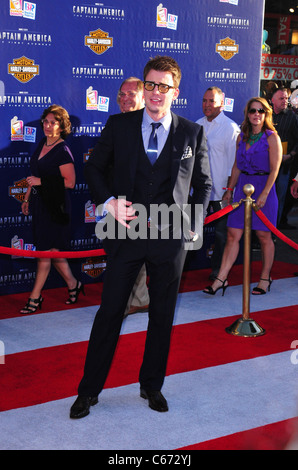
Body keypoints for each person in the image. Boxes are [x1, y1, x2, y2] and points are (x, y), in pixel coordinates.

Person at [70, 55, 212, 419]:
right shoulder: (119, 125)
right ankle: (89, 390)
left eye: (164, 86)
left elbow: (203, 183)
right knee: (110, 312)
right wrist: (107, 202)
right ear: (143, 87)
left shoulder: (192, 133)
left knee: (162, 314)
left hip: (170, 238)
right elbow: (94, 168)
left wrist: (193, 220)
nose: (155, 92)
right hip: (124, 233)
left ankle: (152, 385)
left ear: (175, 92)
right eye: (150, 84)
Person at [203, 97, 282, 297]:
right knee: (232, 235)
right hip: (241, 189)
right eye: (253, 111)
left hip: (264, 188)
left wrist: (264, 194)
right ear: (247, 113)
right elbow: (237, 166)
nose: (256, 114)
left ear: (266, 114)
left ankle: (265, 278)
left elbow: (275, 170)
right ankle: (221, 278)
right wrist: (229, 190)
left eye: (261, 111)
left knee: (264, 236)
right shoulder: (242, 137)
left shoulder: (272, 137)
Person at [20, 105, 84, 314]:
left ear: (62, 125)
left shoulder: (63, 149)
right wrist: (28, 197)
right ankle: (74, 284)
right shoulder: (42, 143)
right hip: (40, 203)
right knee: (54, 253)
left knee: (45, 254)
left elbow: (70, 182)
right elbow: (34, 176)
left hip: (55, 206)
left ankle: (35, 297)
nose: (48, 126)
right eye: (46, 122)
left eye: (53, 122)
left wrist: (41, 182)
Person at [196, 86, 240, 280]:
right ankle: (180, 271)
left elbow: (235, 163)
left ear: (221, 103)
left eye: (211, 101)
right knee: (192, 232)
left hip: (222, 192)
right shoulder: (197, 125)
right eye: (204, 100)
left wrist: (229, 189)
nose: (207, 104)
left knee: (222, 236)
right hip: (199, 191)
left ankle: (218, 273)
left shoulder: (231, 128)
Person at [117, 77, 149, 316]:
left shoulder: (152, 126)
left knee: (133, 255)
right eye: (122, 94)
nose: (125, 99)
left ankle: (136, 298)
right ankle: (139, 298)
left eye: (131, 94)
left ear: (143, 97)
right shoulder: (116, 124)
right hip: (118, 203)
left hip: (144, 205)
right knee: (126, 254)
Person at [271, 87, 298, 228]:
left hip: (284, 166)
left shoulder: (292, 117)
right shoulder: (266, 115)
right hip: (265, 166)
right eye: (281, 98)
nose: (285, 101)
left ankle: (273, 230)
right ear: (273, 100)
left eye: (286, 98)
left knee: (279, 198)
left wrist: (291, 155)